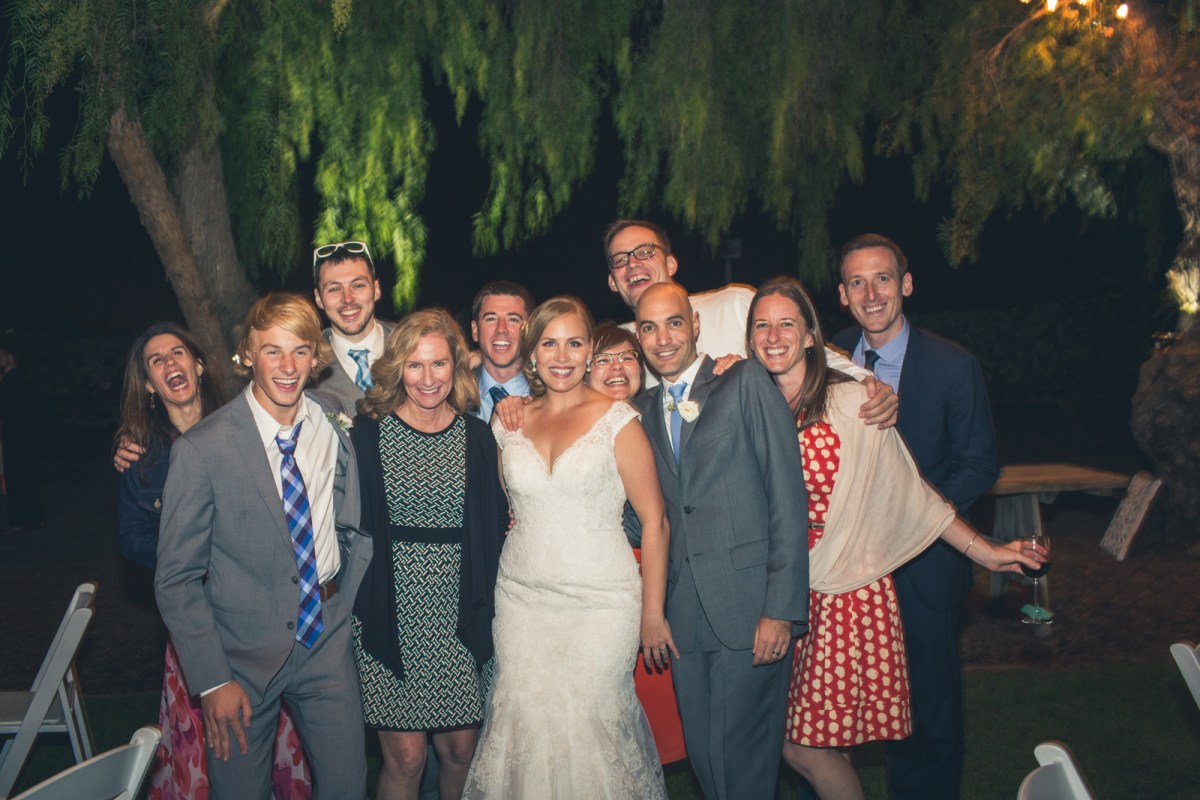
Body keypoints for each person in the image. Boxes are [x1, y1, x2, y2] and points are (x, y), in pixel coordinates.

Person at [745, 276, 1041, 800]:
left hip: (844, 592)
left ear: (810, 336)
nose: (773, 336)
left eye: (787, 323)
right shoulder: (751, 403)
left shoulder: (852, 401)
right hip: (785, 591)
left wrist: (987, 551)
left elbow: (911, 493)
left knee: (802, 747)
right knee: (821, 742)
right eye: (761, 325)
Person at [155, 292, 373, 798]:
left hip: (327, 636)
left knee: (348, 785)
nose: (288, 366)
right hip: (240, 655)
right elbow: (176, 578)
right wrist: (213, 680)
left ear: (316, 357)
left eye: (300, 350)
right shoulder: (203, 448)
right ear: (248, 355)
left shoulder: (333, 415)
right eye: (272, 351)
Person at [463, 297, 672, 798]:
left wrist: (653, 613)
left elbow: (656, 522)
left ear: (588, 351)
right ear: (531, 354)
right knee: (523, 718)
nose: (562, 356)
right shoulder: (506, 422)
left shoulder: (619, 421)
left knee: (591, 723)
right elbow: (506, 510)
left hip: (602, 604)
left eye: (574, 343)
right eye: (549, 344)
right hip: (522, 602)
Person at [830, 234, 1001, 800]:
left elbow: (980, 464)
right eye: (857, 282)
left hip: (925, 566)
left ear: (905, 284)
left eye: (882, 278)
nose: (871, 294)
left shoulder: (953, 366)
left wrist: (918, 516)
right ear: (842, 295)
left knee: (932, 705)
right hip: (849, 568)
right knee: (871, 708)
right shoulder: (828, 359)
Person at [115, 321, 311, 799]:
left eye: (178, 353)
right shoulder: (141, 457)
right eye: (156, 361)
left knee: (272, 737)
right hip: (197, 621)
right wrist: (190, 556)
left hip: (263, 614)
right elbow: (132, 539)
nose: (170, 364)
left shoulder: (251, 427)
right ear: (149, 383)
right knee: (214, 742)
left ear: (199, 365)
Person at [629, 282, 809, 800]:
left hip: (749, 610)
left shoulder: (744, 381)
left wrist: (780, 609)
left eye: (674, 323)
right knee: (707, 761)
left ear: (695, 324)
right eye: (648, 328)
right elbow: (650, 515)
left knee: (744, 765)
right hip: (683, 617)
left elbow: (786, 497)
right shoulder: (639, 411)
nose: (663, 338)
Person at [350, 309, 508, 799]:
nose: (427, 378)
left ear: (456, 366)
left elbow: (497, 524)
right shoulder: (367, 434)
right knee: (406, 758)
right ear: (397, 367)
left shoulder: (477, 437)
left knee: (460, 752)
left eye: (438, 364)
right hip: (389, 610)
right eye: (414, 365)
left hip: (459, 611)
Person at [602, 220, 898, 432]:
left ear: (671, 264)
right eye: (620, 260)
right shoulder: (617, 350)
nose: (633, 263)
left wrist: (865, 381)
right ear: (613, 282)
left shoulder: (733, 304)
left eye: (645, 251)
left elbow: (808, 348)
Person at [585, 323, 687, 765]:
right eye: (603, 359)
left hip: (659, 570)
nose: (616, 368)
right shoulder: (570, 423)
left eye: (627, 357)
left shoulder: (660, 414)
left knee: (659, 710)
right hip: (595, 580)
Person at [312, 240, 394, 414]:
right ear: (318, 298)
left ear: (376, 289)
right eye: (334, 289)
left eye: (358, 285)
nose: (347, 299)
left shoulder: (413, 344)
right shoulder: (308, 364)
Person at [469, 281, 535, 421]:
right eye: (491, 319)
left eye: (513, 319)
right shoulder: (452, 392)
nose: (501, 329)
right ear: (475, 330)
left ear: (530, 330)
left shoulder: (549, 395)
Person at [0, 340, 44, 532]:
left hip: (16, 436)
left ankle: (21, 518)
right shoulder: (17, 378)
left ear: (11, 357)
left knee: (18, 476)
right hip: (21, 436)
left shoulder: (12, 379)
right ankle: (32, 517)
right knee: (24, 475)